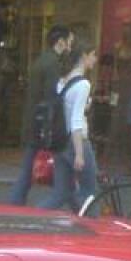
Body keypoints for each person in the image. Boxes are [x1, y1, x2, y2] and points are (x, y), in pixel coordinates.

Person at [10, 24, 73, 205]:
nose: (70, 46)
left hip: (35, 121)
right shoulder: (52, 64)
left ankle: (16, 202)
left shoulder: (42, 60)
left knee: (29, 169)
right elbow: (51, 95)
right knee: (34, 170)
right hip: (43, 124)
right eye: (69, 42)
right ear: (60, 42)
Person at [41, 39, 99, 214]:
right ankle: (93, 230)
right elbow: (76, 120)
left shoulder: (63, 81)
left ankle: (33, 218)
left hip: (60, 141)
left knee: (61, 193)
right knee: (89, 192)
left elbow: (67, 109)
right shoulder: (83, 84)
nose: (95, 59)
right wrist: (80, 153)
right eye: (93, 55)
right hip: (76, 142)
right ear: (84, 56)